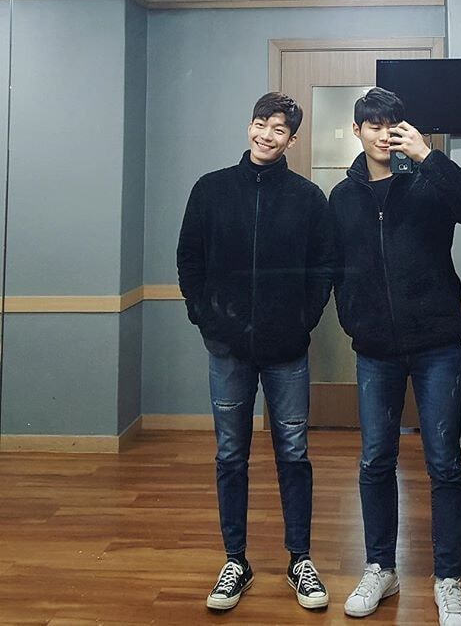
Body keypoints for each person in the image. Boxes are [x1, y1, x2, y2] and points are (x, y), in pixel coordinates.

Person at [329, 87, 461, 625]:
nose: (383, 134)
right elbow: (335, 267)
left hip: (437, 346)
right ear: (357, 131)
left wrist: (428, 156)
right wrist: (353, 319)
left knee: (444, 463)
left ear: (405, 129)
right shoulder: (342, 197)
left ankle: (449, 580)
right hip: (374, 350)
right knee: (375, 460)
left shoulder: (429, 182)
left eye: (391, 124)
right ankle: (381, 567)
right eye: (372, 125)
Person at [177, 92, 333, 612]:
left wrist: (303, 319)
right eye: (261, 124)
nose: (268, 135)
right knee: (230, 454)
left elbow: (323, 267)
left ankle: (300, 560)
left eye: (279, 129)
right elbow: (189, 259)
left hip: (287, 349)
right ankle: (235, 561)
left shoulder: (308, 198)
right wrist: (205, 317)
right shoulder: (211, 189)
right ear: (250, 126)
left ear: (293, 139)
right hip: (227, 349)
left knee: (294, 453)